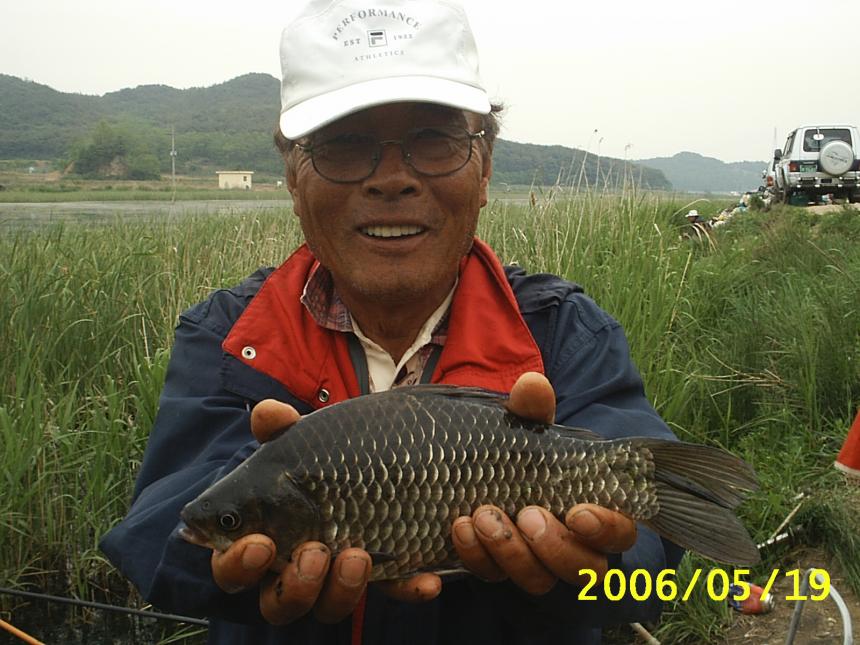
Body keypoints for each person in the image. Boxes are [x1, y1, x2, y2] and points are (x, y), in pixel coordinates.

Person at [100, 0, 684, 642]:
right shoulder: (225, 336)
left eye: (434, 140)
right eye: (344, 145)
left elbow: (653, 561)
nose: (392, 179)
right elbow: (158, 532)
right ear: (293, 177)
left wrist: (604, 562)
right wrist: (245, 553)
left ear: (485, 168)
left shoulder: (569, 333)